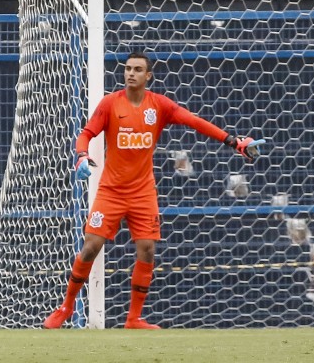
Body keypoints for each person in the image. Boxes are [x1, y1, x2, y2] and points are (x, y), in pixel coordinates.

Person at [44, 51, 262, 329]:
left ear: (148, 76)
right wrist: (81, 155)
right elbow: (86, 133)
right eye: (127, 68)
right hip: (111, 191)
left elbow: (194, 122)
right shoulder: (110, 104)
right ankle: (66, 307)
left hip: (143, 193)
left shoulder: (159, 106)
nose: (130, 73)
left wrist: (233, 141)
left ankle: (133, 319)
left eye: (137, 69)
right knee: (90, 247)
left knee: (147, 251)